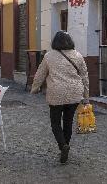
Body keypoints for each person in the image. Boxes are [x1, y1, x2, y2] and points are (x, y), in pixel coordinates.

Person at [30, 31, 89, 164]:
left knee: (55, 123)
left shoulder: (49, 56)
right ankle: (65, 147)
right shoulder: (78, 55)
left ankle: (63, 146)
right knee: (68, 122)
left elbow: (40, 74)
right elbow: (85, 77)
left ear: (55, 42)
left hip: (56, 94)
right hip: (75, 93)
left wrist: (34, 88)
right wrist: (86, 96)